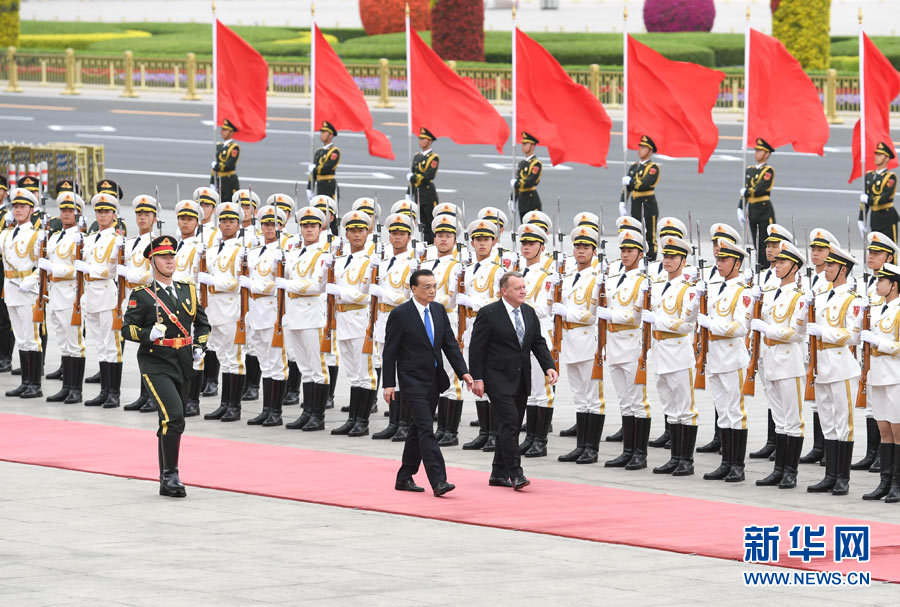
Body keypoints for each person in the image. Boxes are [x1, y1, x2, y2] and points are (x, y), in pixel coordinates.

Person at [122, 235, 210, 498]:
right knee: (174, 416)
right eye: (163, 256)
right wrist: (148, 333)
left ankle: (164, 478)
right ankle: (172, 475)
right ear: (152, 261)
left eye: (172, 256)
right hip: (155, 361)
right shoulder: (143, 295)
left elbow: (203, 324)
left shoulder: (188, 290)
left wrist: (199, 347)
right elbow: (127, 328)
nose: (169, 260)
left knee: (170, 419)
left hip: (183, 361)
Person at [383, 268, 473, 497]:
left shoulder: (438, 310)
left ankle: (404, 476)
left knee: (417, 429)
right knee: (426, 428)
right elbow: (390, 352)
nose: (432, 291)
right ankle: (439, 480)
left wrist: (463, 372)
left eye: (434, 286)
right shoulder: (401, 314)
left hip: (433, 379)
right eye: (427, 287)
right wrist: (388, 384)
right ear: (413, 289)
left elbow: (449, 344)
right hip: (411, 380)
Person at [469, 271, 558, 490]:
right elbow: (477, 349)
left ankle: (497, 472)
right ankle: (515, 473)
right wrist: (477, 378)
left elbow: (538, 342)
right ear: (504, 291)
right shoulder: (489, 313)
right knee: (509, 422)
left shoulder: (528, 312)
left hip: (520, 378)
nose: (523, 291)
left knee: (511, 426)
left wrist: (549, 366)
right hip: (497, 378)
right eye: (518, 288)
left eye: (524, 287)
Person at [806, 244, 864, 496]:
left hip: (841, 365)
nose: (825, 268)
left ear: (843, 269)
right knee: (828, 422)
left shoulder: (853, 300)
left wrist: (824, 332)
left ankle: (842, 478)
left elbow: (853, 336)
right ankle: (829, 475)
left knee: (843, 423)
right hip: (821, 365)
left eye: (830, 265)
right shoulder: (819, 297)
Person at [752, 241, 809, 489]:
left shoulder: (799, 297)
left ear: (794, 267)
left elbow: (797, 333)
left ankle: (790, 472)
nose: (776, 265)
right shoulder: (771, 293)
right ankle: (778, 469)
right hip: (771, 359)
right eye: (776, 262)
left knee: (793, 419)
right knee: (779, 420)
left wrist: (768, 329)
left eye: (782, 262)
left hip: (789, 361)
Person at [641, 235, 700, 476]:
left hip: (678, 351)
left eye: (673, 257)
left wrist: (659, 321)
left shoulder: (688, 290)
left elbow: (687, 325)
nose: (667, 260)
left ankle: (686, 460)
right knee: (670, 407)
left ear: (683, 261)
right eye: (665, 256)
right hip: (661, 351)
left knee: (685, 408)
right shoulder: (657, 286)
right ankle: (675, 457)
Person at [697, 240, 752, 483]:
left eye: (724, 260)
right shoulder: (717, 287)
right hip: (716, 356)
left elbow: (740, 327)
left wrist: (712, 325)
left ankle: (737, 466)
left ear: (737, 264)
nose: (719, 264)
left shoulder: (743, 292)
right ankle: (726, 462)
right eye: (718, 260)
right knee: (723, 413)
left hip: (732, 358)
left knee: (735, 412)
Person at [597, 230, 653, 470]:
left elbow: (637, 316)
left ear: (640, 254)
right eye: (622, 250)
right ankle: (627, 451)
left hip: (631, 344)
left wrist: (613, 314)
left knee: (638, 402)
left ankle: (640, 454)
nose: (625, 254)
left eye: (630, 250)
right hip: (614, 344)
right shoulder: (613, 278)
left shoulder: (643, 281)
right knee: (624, 401)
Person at [554, 226, 605, 465]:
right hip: (570, 341)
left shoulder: (597, 278)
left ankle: (591, 448)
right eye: (577, 247)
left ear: (594, 251)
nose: (580, 251)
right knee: (579, 397)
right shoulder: (568, 275)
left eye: (585, 247)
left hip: (587, 340)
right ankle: (581, 446)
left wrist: (568, 312)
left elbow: (592, 315)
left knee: (592, 398)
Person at [281, 206, 331, 430]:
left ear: (320, 228)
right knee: (305, 368)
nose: (309, 230)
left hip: (312, 316)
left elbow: (317, 285)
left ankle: (318, 416)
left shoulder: (324, 255)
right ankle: (307, 411)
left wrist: (288, 284)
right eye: (305, 226)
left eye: (313, 226)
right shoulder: (293, 252)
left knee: (318, 368)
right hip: (293, 315)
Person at [198, 201, 246, 422]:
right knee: (222, 356)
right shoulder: (213, 249)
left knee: (234, 358)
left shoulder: (241, 250)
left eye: (231, 221)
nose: (227, 225)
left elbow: (237, 282)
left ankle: (234, 407)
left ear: (238, 224)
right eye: (224, 221)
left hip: (230, 307)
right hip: (214, 308)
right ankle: (224, 403)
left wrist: (212, 280)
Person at [79, 192, 125, 408]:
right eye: (98, 211)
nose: (102, 215)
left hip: (107, 293)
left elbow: (113, 269)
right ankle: (104, 391)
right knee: (100, 344)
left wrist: (90, 268)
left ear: (114, 214)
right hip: (91, 293)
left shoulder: (117, 240)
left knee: (111, 345)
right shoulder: (89, 239)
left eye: (106, 211)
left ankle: (114, 393)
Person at [40, 191, 87, 404]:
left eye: (71, 211)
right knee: (64, 343)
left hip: (71, 293)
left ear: (78, 214)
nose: (66, 214)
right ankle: (66, 386)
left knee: (75, 343)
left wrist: (53, 268)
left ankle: (75, 389)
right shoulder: (56, 236)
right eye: (63, 210)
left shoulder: (80, 238)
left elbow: (75, 270)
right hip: (56, 293)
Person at [859, 261, 900, 502]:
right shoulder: (877, 309)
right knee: (884, 430)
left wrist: (878, 342)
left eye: (881, 281)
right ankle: (884, 482)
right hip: (878, 374)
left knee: (897, 430)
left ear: (894, 285)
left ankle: (897, 483)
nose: (877, 284)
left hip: (895, 375)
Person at [1, 188, 44, 398]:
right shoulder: (6, 234)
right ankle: (25, 381)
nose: (18, 210)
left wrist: (32, 280)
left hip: (28, 291)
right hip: (11, 288)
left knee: (32, 338)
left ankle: (35, 384)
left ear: (31, 210)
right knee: (20, 337)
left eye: (22, 207)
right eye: (15, 206)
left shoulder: (36, 235)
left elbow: (42, 265)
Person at [121, 194, 159, 413]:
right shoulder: (133, 242)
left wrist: (131, 274)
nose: (142, 218)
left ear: (154, 218)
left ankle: (153, 396)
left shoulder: (157, 242)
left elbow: (155, 274)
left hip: (151, 301)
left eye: (147, 214)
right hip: (136, 300)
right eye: (139, 214)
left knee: (152, 350)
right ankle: (144, 395)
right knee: (143, 351)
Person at [620, 135, 660, 261]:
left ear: (650, 151)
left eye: (644, 147)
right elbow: (626, 187)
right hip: (636, 203)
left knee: (649, 233)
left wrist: (630, 182)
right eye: (640, 147)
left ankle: (651, 257)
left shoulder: (653, 168)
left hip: (648, 203)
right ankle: (638, 256)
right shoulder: (634, 166)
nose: (640, 150)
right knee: (636, 231)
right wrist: (622, 201)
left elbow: (644, 184)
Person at [738, 138, 776, 270]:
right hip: (753, 211)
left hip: (764, 211)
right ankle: (760, 267)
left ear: (767, 154)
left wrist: (747, 192)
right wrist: (740, 208)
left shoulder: (768, 171)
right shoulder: (749, 170)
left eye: (759, 151)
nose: (756, 153)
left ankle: (767, 268)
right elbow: (744, 192)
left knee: (767, 243)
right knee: (757, 244)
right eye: (756, 150)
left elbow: (760, 188)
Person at [858, 141, 898, 242]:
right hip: (874, 218)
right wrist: (861, 219)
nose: (876, 157)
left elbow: (884, 198)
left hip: (887, 217)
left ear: (887, 158)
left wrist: (868, 200)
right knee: (876, 247)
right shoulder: (869, 176)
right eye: (876, 154)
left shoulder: (890, 177)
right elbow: (864, 201)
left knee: (890, 248)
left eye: (880, 155)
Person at [308, 121, 341, 235]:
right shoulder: (318, 151)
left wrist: (315, 169)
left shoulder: (334, 151)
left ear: (331, 135)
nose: (322, 134)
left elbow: (327, 167)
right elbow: (313, 173)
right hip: (319, 185)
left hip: (329, 185)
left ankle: (335, 236)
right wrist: (309, 187)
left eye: (324, 132)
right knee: (318, 211)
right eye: (321, 132)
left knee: (331, 213)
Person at [408, 127, 440, 244]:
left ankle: (433, 245)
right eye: (420, 139)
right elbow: (412, 175)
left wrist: (414, 178)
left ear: (430, 141)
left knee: (431, 222)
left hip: (427, 194)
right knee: (422, 223)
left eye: (423, 139)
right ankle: (426, 244)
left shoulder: (433, 157)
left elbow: (428, 176)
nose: (420, 141)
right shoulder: (417, 156)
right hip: (418, 193)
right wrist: (408, 192)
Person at [511, 132, 543, 221]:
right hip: (522, 201)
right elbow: (518, 182)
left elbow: (530, 182)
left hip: (531, 200)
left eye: (526, 144)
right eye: (523, 144)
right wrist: (513, 198)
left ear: (533, 146)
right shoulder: (522, 163)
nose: (523, 146)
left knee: (534, 228)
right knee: (524, 228)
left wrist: (516, 183)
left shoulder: (536, 164)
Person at [210, 119, 240, 204]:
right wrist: (212, 181)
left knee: (229, 205)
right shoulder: (219, 145)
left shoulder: (234, 148)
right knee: (219, 204)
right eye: (222, 129)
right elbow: (214, 169)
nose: (221, 132)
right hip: (219, 180)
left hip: (229, 181)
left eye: (224, 130)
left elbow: (228, 165)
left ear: (231, 132)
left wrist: (216, 166)